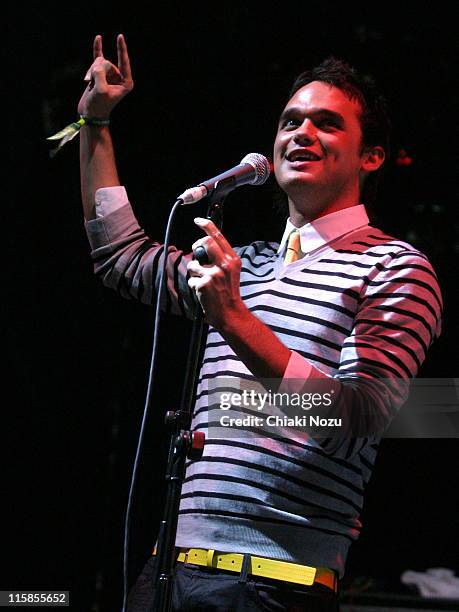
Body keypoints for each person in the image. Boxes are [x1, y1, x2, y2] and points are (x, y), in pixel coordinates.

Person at [78, 34, 442, 611]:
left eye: (327, 123)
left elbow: (358, 419)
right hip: (170, 569)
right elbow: (121, 259)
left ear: (371, 155)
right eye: (290, 121)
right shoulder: (241, 264)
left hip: (275, 582)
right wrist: (94, 126)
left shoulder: (395, 267)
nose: (301, 133)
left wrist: (235, 319)